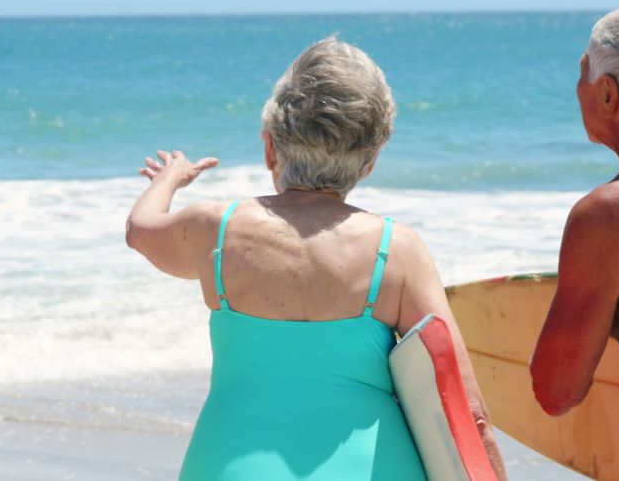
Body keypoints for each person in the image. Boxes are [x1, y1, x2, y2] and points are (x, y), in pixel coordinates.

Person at [126, 37, 506, 480]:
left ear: (270, 147)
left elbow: (140, 230)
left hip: (229, 465)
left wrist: (170, 179)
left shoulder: (216, 230)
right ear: (369, 161)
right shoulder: (397, 250)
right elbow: (468, 413)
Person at [531, 6, 619, 479]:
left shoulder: (611, 216)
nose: (578, 87)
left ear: (608, 94)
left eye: (582, 72)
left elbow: (556, 391)